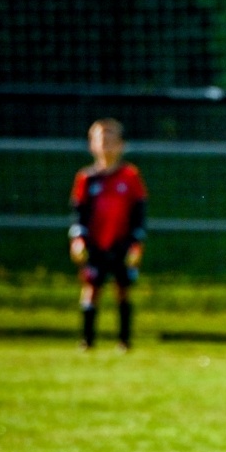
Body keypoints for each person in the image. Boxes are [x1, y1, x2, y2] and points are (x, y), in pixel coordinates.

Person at [70, 119, 147, 350]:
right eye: (102, 141)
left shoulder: (130, 177)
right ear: (92, 145)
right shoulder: (86, 179)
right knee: (92, 288)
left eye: (112, 141)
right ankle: (87, 340)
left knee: (123, 289)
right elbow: (78, 215)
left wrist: (136, 244)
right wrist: (77, 240)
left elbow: (139, 213)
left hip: (122, 243)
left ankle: (124, 340)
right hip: (95, 244)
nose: (107, 146)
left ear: (122, 145)